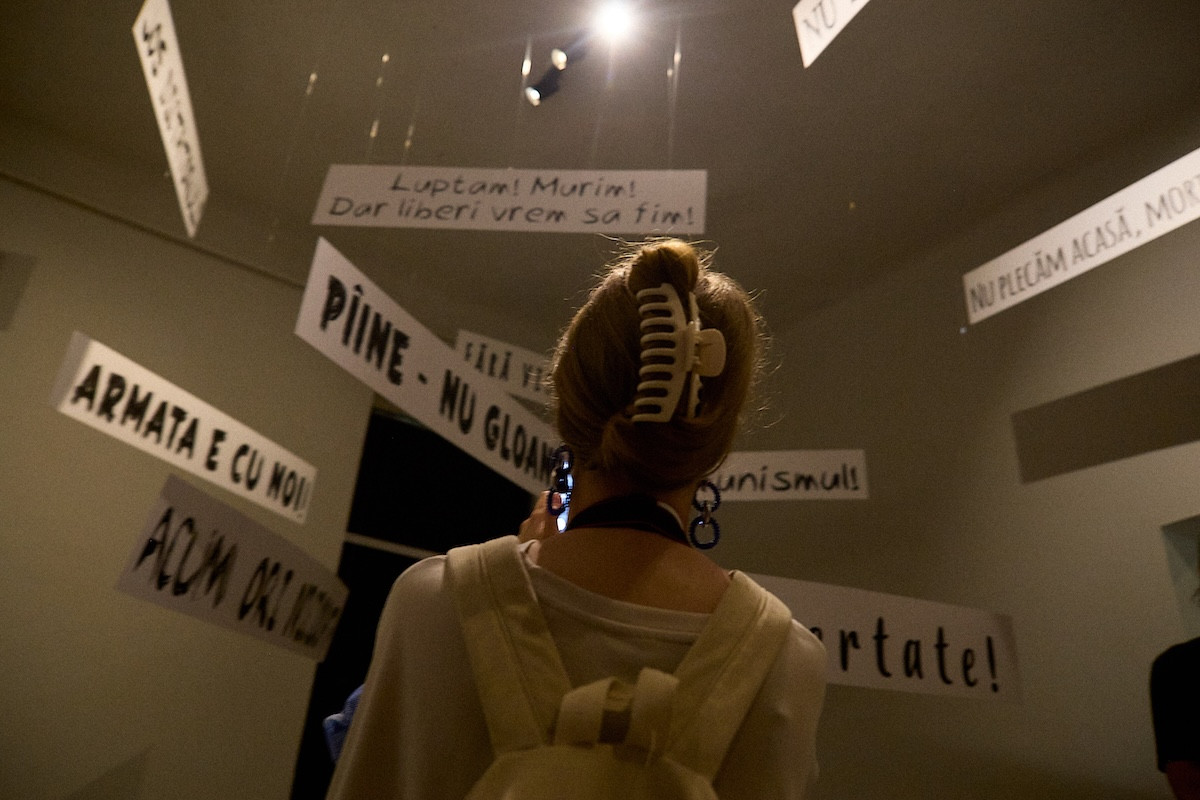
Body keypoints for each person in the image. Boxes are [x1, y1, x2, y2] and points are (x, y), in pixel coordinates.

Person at [325, 238, 827, 799]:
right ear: (717, 436)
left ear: (568, 395)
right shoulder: (788, 661)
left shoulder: (432, 600)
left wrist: (513, 572)